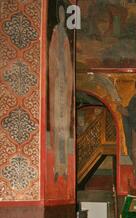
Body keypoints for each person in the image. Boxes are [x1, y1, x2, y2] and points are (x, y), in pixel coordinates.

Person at [49, 5, 73, 180]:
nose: (62, 16)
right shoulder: (56, 32)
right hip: (58, 82)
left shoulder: (64, 35)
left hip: (64, 82)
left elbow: (66, 55)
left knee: (64, 127)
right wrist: (58, 69)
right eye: (60, 14)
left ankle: (63, 168)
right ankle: (58, 167)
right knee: (59, 127)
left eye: (63, 14)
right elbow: (53, 53)